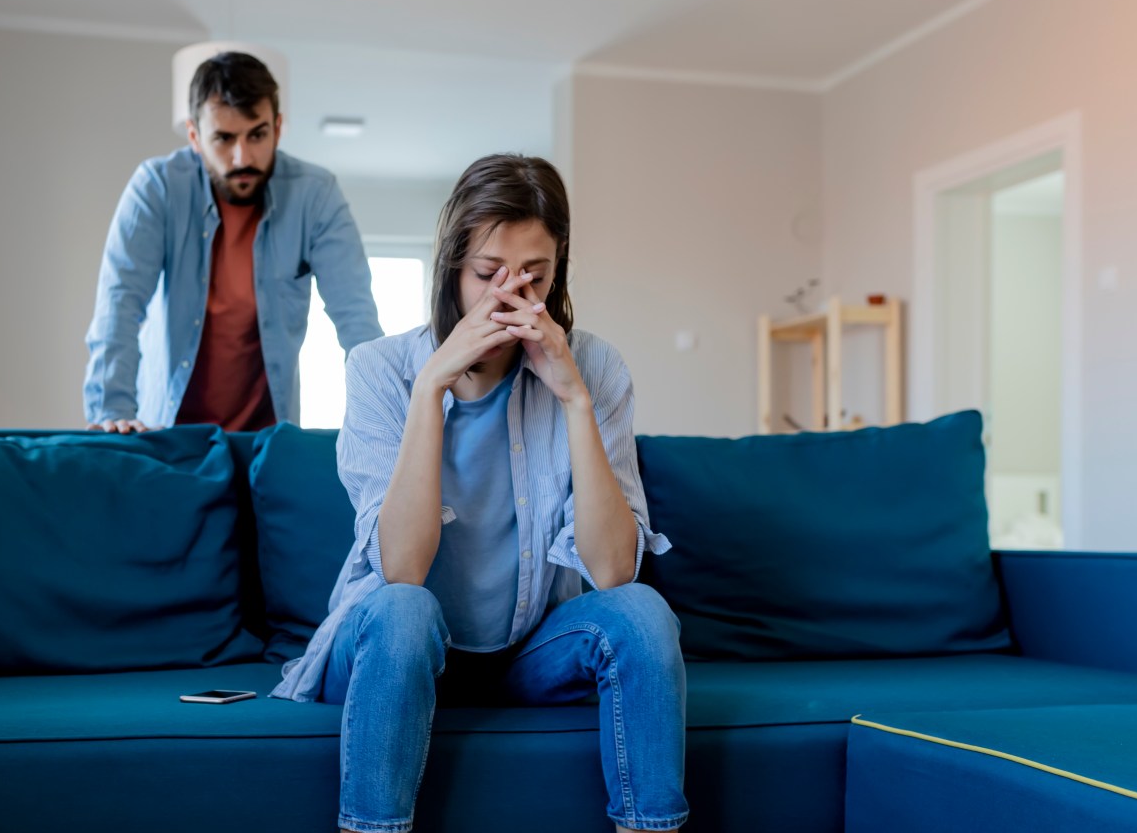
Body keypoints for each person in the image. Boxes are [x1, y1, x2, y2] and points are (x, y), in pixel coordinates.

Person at [273, 154, 688, 833]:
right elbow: (401, 570)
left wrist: (575, 400)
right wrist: (431, 388)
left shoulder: (597, 368)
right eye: (488, 274)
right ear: (451, 269)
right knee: (404, 610)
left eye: (535, 277)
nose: (511, 298)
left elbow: (613, 572)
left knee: (641, 613)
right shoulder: (380, 371)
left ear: (558, 274)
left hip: (526, 651)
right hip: (399, 647)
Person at [83, 51, 382, 433]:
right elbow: (119, 305)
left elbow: (357, 318)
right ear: (194, 136)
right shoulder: (156, 187)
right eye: (223, 138)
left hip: (267, 440)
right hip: (168, 435)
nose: (243, 157)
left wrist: (383, 421)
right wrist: (112, 411)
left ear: (277, 126)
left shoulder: (316, 195)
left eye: (257, 135)